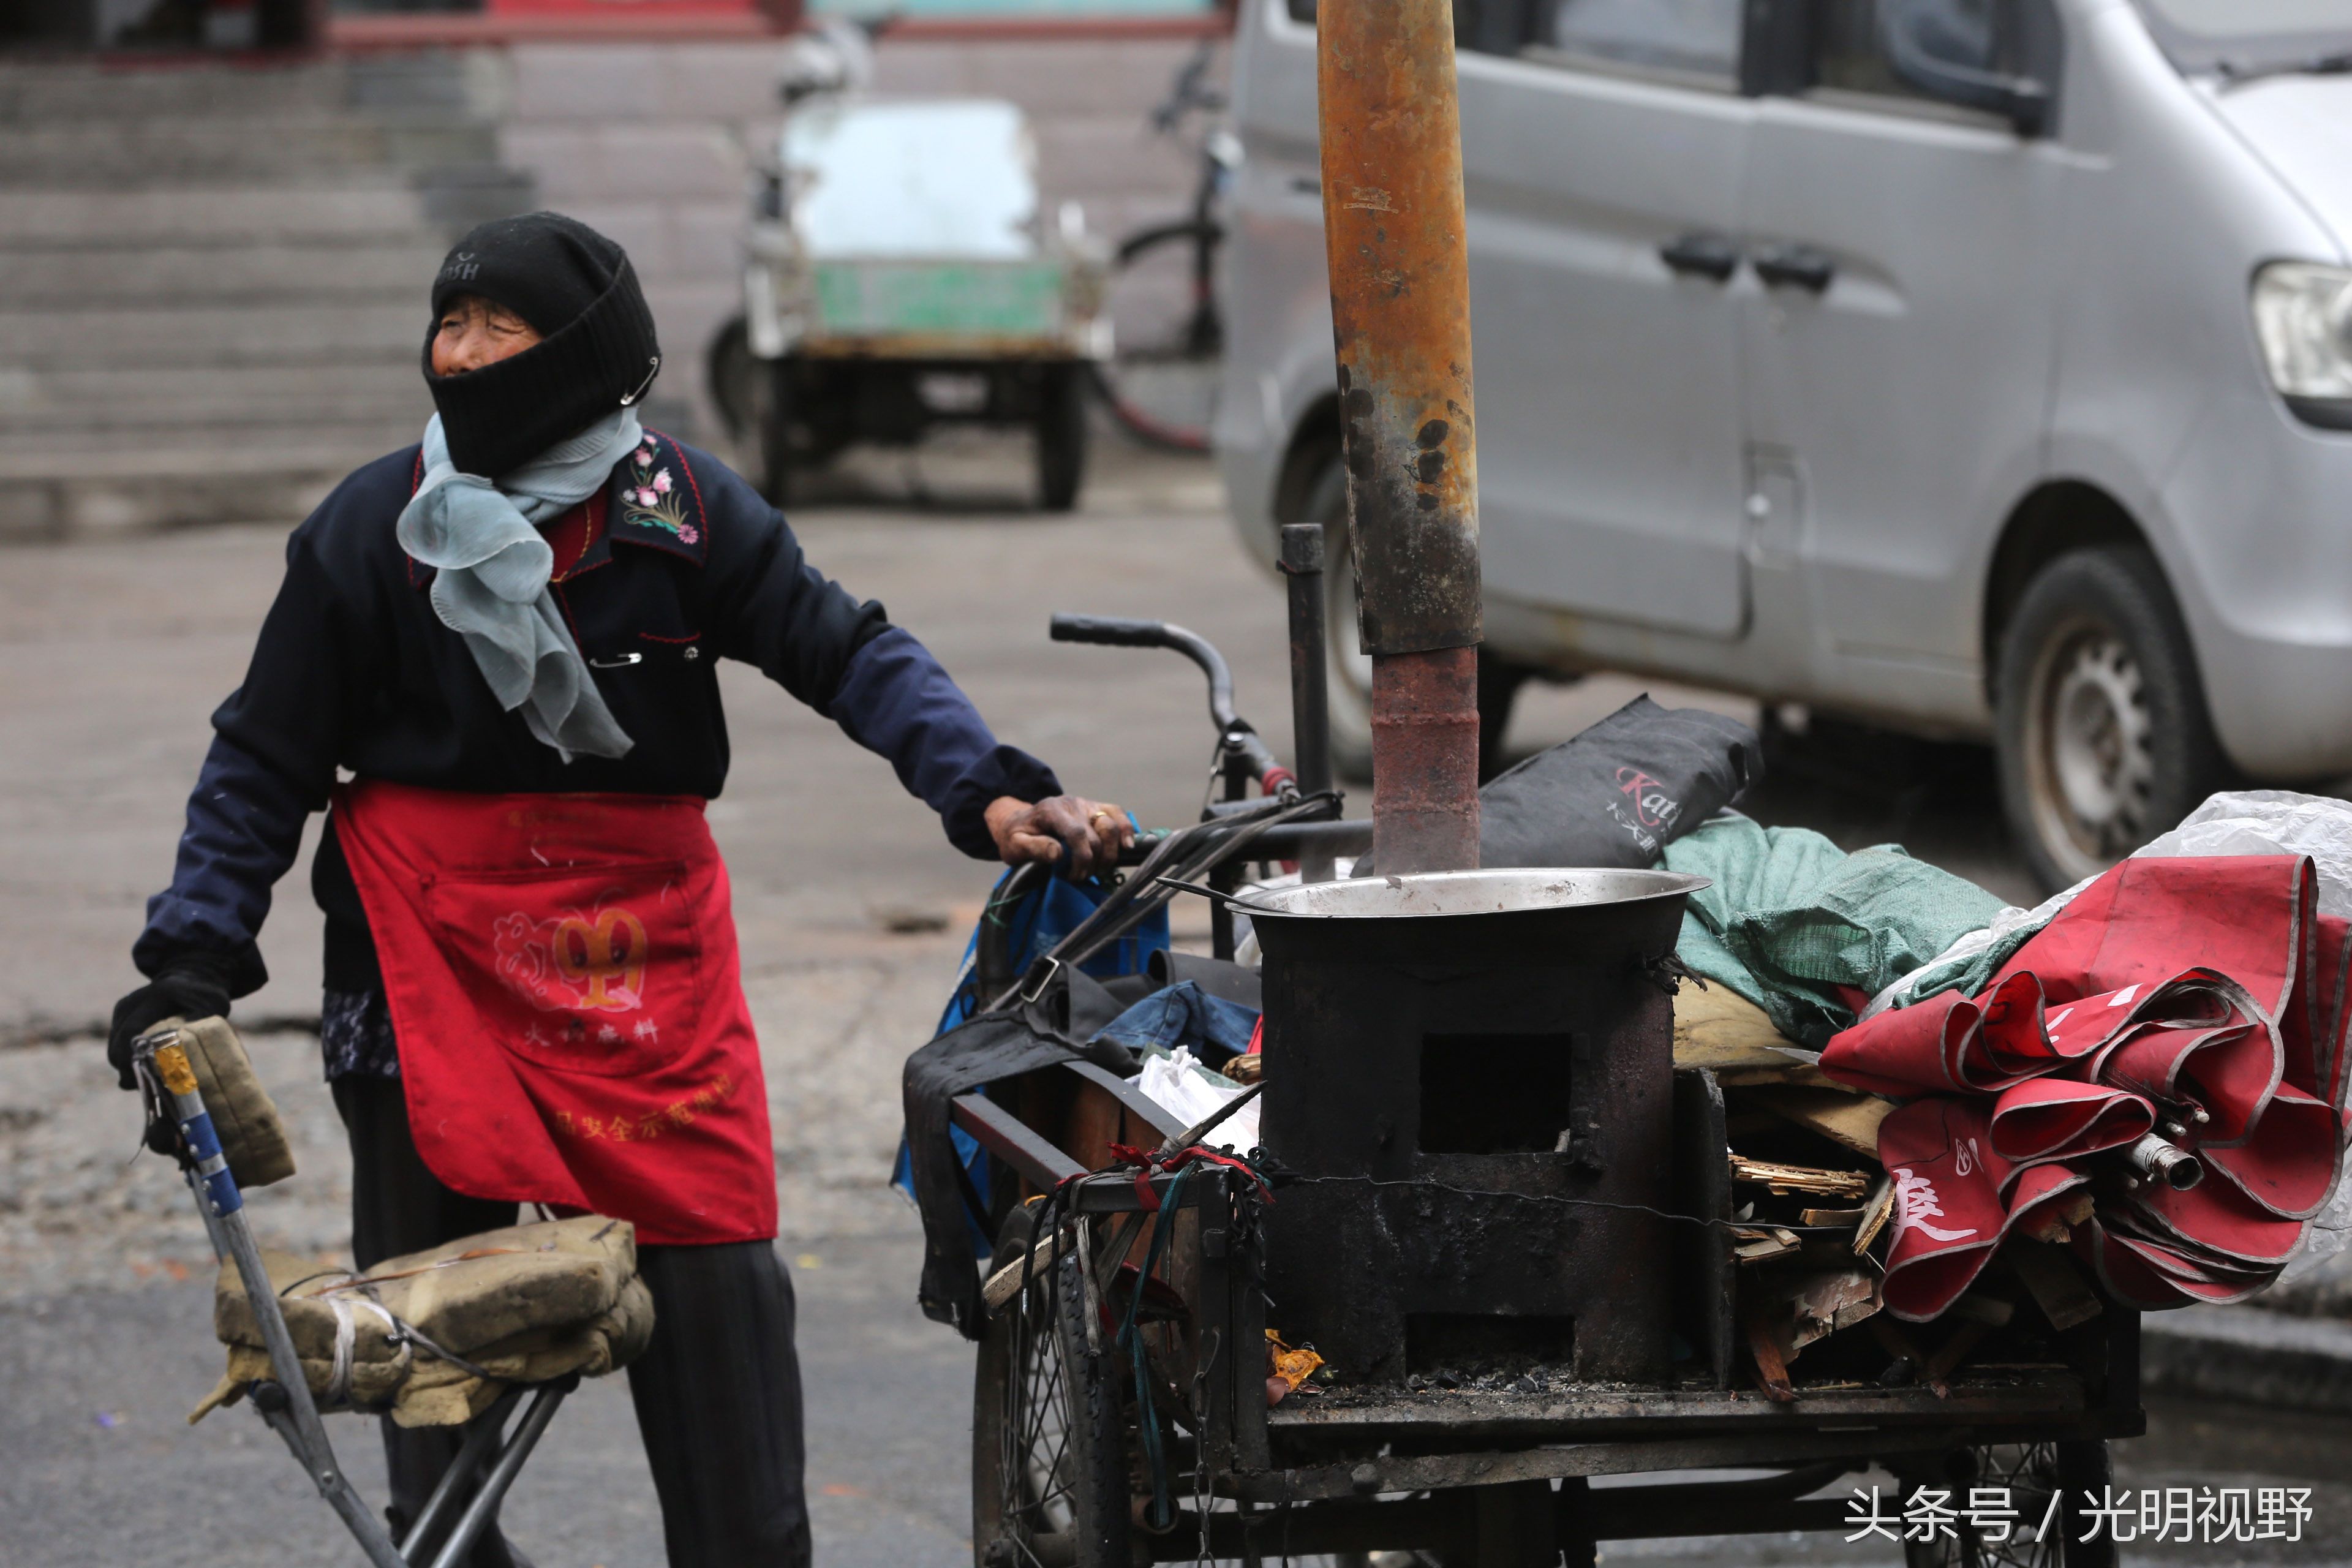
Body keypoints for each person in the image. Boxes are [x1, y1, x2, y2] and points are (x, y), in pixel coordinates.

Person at [107, 211, 1133, 1567]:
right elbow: (263, 755)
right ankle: (451, 1548)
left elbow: (849, 649)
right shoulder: (371, 528)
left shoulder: (685, 512)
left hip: (638, 961)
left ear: (585, 356)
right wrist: (190, 954)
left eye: (500, 330)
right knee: (434, 1339)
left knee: (719, 1293)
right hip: (422, 962)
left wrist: (986, 785)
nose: (462, 356)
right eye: (450, 324)